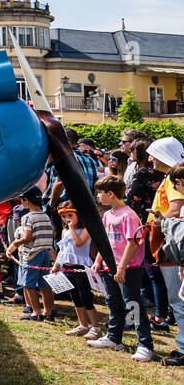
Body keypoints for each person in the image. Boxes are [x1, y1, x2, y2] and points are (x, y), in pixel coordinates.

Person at [88, 175, 154, 361]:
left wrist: (122, 268)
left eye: (100, 193)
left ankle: (145, 345)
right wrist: (99, 260)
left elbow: (132, 244)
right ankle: (113, 338)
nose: (98, 197)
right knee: (113, 302)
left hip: (128, 269)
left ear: (111, 193)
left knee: (132, 305)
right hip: (111, 268)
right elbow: (105, 241)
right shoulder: (107, 215)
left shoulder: (128, 215)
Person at [146, 140, 184, 365]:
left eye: (153, 154)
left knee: (178, 298)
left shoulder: (174, 179)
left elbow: (175, 208)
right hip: (171, 245)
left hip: (172, 247)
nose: (150, 159)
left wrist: (160, 225)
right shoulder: (172, 177)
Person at [5, 187, 56, 321]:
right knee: (44, 284)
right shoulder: (45, 215)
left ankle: (36, 312)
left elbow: (27, 237)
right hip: (45, 252)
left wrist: (14, 246)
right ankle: (48, 311)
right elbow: (53, 233)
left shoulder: (27, 217)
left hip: (32, 254)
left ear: (26, 200)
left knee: (28, 284)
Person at [52, 204, 99, 338]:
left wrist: (72, 228)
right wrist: (57, 264)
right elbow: (62, 249)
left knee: (85, 297)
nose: (67, 219)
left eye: (70, 216)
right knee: (75, 297)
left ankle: (95, 327)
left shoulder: (85, 229)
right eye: (64, 216)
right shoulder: (64, 230)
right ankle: (83, 325)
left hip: (81, 268)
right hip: (67, 268)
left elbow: (78, 243)